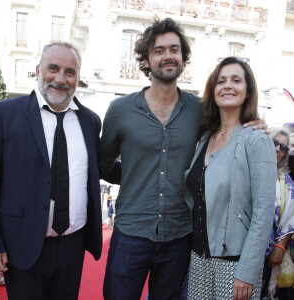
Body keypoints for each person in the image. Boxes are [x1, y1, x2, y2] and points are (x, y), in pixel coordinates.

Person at [99, 18, 266, 300]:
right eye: (159, 50)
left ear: (183, 57)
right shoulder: (119, 110)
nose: (168, 56)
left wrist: (257, 123)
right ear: (146, 58)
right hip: (131, 233)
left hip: (180, 237)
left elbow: (230, 126)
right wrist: (133, 178)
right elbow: (103, 164)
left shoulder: (201, 111)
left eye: (174, 49)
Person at [0, 41, 119, 300]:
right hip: (22, 244)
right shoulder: (4, 115)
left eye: (70, 72)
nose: (60, 79)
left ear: (77, 77)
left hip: (73, 245)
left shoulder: (90, 121)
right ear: (38, 70)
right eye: (53, 68)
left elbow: (102, 166)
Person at [184, 57, 277, 300]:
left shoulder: (257, 140)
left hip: (236, 265)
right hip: (198, 259)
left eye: (236, 80)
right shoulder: (205, 138)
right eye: (221, 81)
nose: (228, 86)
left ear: (247, 91)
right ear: (213, 90)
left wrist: (247, 272)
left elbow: (264, 212)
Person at [260, 127, 294, 300]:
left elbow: (290, 218)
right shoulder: (245, 168)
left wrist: (279, 248)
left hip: (266, 256)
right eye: (274, 142)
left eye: (283, 148)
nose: (277, 150)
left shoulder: (285, 181)